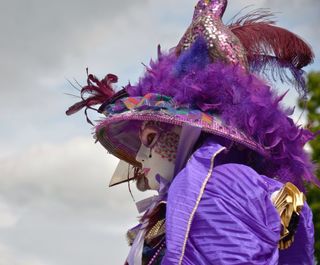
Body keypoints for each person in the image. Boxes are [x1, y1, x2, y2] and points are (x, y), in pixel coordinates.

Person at [66, 0, 318, 264]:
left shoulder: (221, 187)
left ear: (188, 133)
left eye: (150, 139)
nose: (139, 157)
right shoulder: (181, 199)